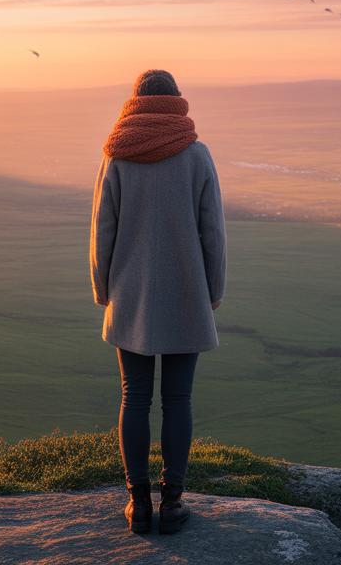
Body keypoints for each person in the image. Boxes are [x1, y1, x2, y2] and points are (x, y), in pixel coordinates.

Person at [90, 68, 226, 535]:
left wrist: (103, 290)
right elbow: (213, 232)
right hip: (187, 291)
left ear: (135, 104)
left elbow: (102, 231)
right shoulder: (196, 155)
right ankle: (171, 504)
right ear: (177, 103)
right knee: (178, 399)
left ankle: (137, 504)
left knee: (134, 398)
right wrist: (214, 290)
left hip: (130, 295)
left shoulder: (117, 155)